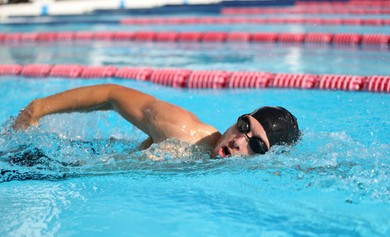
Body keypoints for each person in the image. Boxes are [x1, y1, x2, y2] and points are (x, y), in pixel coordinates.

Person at [13, 84, 300, 159]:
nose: (238, 141)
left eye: (257, 147)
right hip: (53, 163)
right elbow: (112, 95)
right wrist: (38, 108)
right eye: (244, 126)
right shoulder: (183, 132)